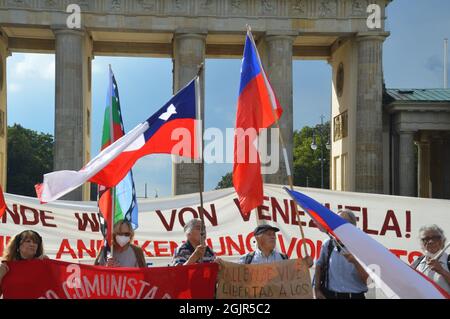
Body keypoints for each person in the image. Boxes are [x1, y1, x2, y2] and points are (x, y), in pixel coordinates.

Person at [314, 210, 369, 299]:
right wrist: (316, 290)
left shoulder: (362, 247)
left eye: (340, 222)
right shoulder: (328, 244)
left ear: (351, 226)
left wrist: (355, 262)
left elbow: (369, 281)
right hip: (331, 295)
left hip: (354, 296)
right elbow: (319, 265)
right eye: (335, 222)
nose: (336, 226)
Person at [239, 224, 314, 266]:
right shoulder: (246, 260)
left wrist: (305, 264)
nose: (273, 237)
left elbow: (293, 275)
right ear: (258, 238)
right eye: (269, 234)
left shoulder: (283, 258)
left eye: (274, 235)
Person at [411, 224, 450, 294]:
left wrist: (442, 271)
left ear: (443, 241)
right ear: (421, 243)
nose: (431, 242)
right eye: (426, 239)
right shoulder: (416, 263)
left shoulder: (448, 261)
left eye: (435, 238)